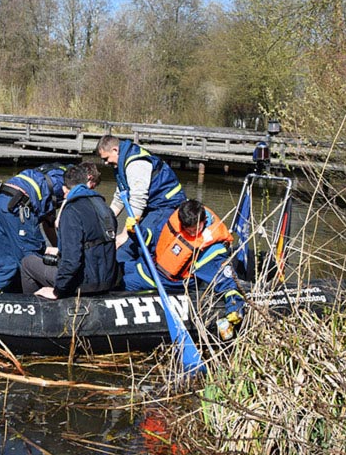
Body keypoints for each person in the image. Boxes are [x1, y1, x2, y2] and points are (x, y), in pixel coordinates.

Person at [123, 199, 245, 331]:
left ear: (203, 220)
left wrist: (235, 307)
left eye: (196, 229)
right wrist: (136, 231)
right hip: (147, 268)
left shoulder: (210, 249)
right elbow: (153, 240)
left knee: (125, 283)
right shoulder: (176, 220)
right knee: (118, 271)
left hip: (167, 283)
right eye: (188, 230)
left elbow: (226, 281)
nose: (192, 234)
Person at [20, 165, 119, 299]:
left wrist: (58, 291)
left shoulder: (72, 210)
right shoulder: (104, 206)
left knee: (28, 263)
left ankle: (33, 306)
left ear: (64, 189)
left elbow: (71, 261)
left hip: (83, 284)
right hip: (108, 280)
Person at [0, 162, 69, 294]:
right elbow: (56, 223)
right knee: (31, 260)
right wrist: (62, 252)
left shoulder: (51, 172)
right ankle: (36, 301)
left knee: (3, 267)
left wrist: (58, 249)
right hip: (18, 208)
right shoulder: (71, 184)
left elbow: (48, 222)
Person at [95, 135, 186, 262]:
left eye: (106, 158)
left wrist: (124, 235)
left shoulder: (136, 164)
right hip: (153, 206)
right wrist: (105, 221)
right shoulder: (122, 163)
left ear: (115, 150)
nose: (105, 162)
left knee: (130, 247)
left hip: (165, 206)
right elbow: (120, 197)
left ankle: (130, 276)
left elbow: (138, 201)